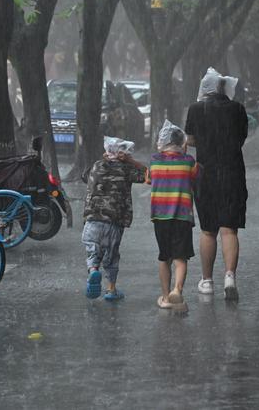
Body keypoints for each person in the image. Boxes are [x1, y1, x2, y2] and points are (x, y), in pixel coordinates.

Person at [185, 67, 248, 301]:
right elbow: (241, 138)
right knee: (229, 229)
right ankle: (230, 276)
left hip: (206, 174)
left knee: (208, 230)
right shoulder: (237, 109)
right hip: (233, 173)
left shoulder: (196, 109)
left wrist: (203, 141)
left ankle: (207, 281)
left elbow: (190, 139)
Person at [82, 137, 147, 301]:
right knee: (111, 255)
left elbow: (85, 176)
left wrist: (105, 159)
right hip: (114, 220)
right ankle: (111, 290)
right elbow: (149, 175)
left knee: (92, 250)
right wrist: (131, 160)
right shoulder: (126, 169)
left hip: (92, 217)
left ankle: (93, 270)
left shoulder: (96, 165)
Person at [149, 120, 198, 312]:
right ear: (182, 143)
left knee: (164, 257)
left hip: (160, 217)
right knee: (180, 258)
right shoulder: (188, 162)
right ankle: (177, 290)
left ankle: (165, 296)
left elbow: (148, 178)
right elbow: (196, 177)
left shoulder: (154, 160)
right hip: (183, 217)